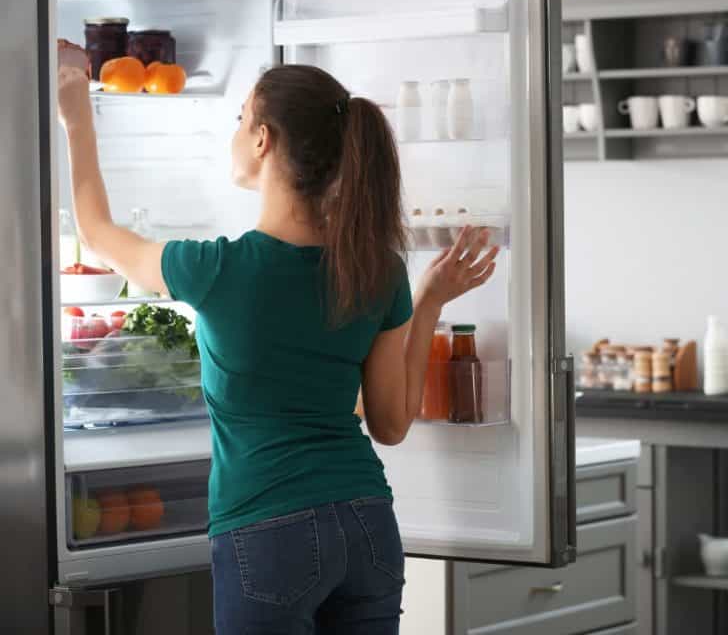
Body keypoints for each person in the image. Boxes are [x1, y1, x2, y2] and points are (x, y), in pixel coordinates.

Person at [56, 62, 498, 634]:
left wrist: (75, 116)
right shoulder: (376, 269)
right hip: (366, 521)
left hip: (268, 531)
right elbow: (389, 423)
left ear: (263, 140)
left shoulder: (217, 267)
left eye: (241, 119)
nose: (235, 132)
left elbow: (95, 232)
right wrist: (429, 302)